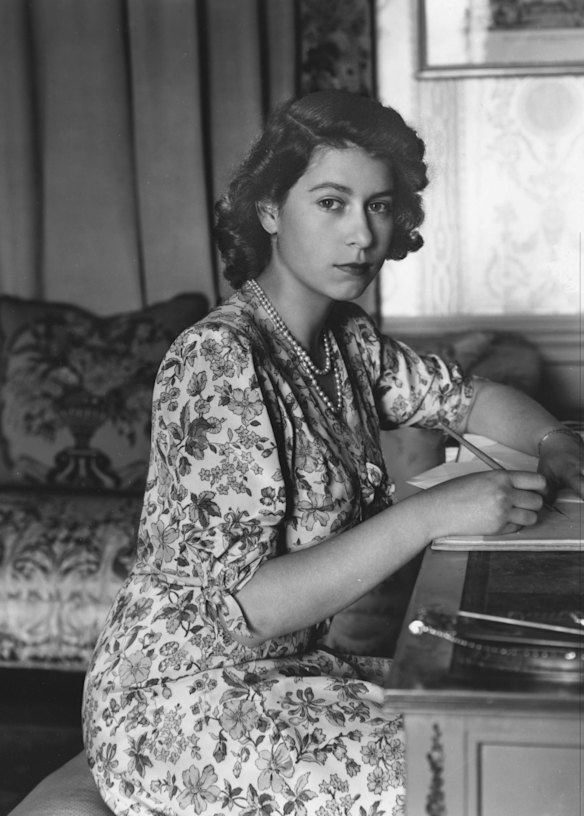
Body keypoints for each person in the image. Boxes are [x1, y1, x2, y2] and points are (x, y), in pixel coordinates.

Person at [82, 90, 584, 816]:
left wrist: (555, 441)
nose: (361, 234)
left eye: (378, 206)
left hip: (284, 671)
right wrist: (433, 513)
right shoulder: (218, 358)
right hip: (179, 702)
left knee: (518, 724)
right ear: (268, 210)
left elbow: (466, 398)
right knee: (479, 776)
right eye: (331, 203)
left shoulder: (346, 341)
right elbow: (250, 607)